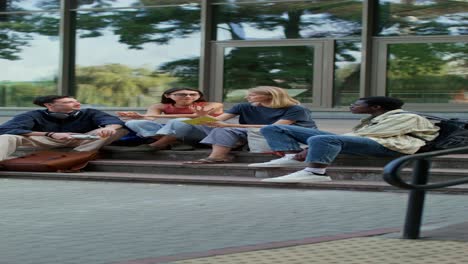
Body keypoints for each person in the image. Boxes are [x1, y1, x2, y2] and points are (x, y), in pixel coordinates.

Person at [249, 96, 440, 183]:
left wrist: (311, 147)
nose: (352, 106)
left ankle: (316, 173)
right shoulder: (375, 118)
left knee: (322, 140)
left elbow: (373, 135)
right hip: (373, 142)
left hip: (390, 147)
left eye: (356, 104)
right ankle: (291, 157)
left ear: (376, 107)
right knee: (274, 128)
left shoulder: (405, 117)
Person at [149, 86, 317, 163]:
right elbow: (220, 120)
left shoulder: (296, 109)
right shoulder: (243, 107)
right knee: (184, 123)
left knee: (228, 130)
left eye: (252, 95)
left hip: (285, 134)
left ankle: (219, 153)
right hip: (249, 132)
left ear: (269, 96)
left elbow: (278, 127)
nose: (247, 98)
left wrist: (228, 126)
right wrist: (201, 118)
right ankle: (217, 157)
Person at [0, 95, 128, 161]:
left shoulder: (90, 112)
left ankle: (75, 157)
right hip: (46, 139)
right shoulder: (33, 115)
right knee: (7, 137)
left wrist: (110, 128)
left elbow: (114, 121)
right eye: (69, 102)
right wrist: (50, 134)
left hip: (81, 140)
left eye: (76, 101)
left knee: (120, 130)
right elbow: (5, 129)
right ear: (49, 105)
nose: (77, 104)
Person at [117, 87, 223, 149]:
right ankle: (174, 143)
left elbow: (196, 116)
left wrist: (147, 115)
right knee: (132, 123)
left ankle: (156, 145)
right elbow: (149, 119)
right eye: (182, 94)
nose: (188, 97)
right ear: (168, 96)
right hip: (180, 133)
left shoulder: (214, 104)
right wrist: (137, 117)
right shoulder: (158, 106)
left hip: (205, 133)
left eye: (193, 94)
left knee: (179, 121)